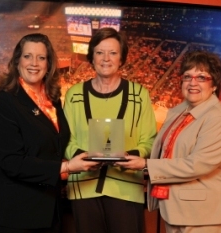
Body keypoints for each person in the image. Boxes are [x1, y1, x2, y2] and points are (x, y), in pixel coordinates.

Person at [0, 33, 99, 233]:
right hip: (8, 211)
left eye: (41, 57)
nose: (34, 63)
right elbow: (13, 162)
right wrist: (67, 166)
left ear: (49, 64)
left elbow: (55, 145)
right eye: (28, 56)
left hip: (45, 209)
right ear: (17, 61)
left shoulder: (52, 101)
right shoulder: (3, 103)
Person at [117, 50, 221, 233]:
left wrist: (145, 165)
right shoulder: (178, 111)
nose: (192, 83)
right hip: (177, 209)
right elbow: (165, 149)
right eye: (187, 76)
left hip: (207, 215)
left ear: (214, 85)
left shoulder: (217, 118)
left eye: (201, 78)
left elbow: (197, 165)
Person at [63, 27, 157, 233]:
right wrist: (83, 157)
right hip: (83, 190)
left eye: (113, 53)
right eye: (99, 52)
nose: (106, 58)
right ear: (91, 57)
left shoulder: (139, 94)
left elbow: (149, 140)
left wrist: (128, 157)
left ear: (121, 58)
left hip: (126, 190)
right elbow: (65, 140)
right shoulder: (74, 95)